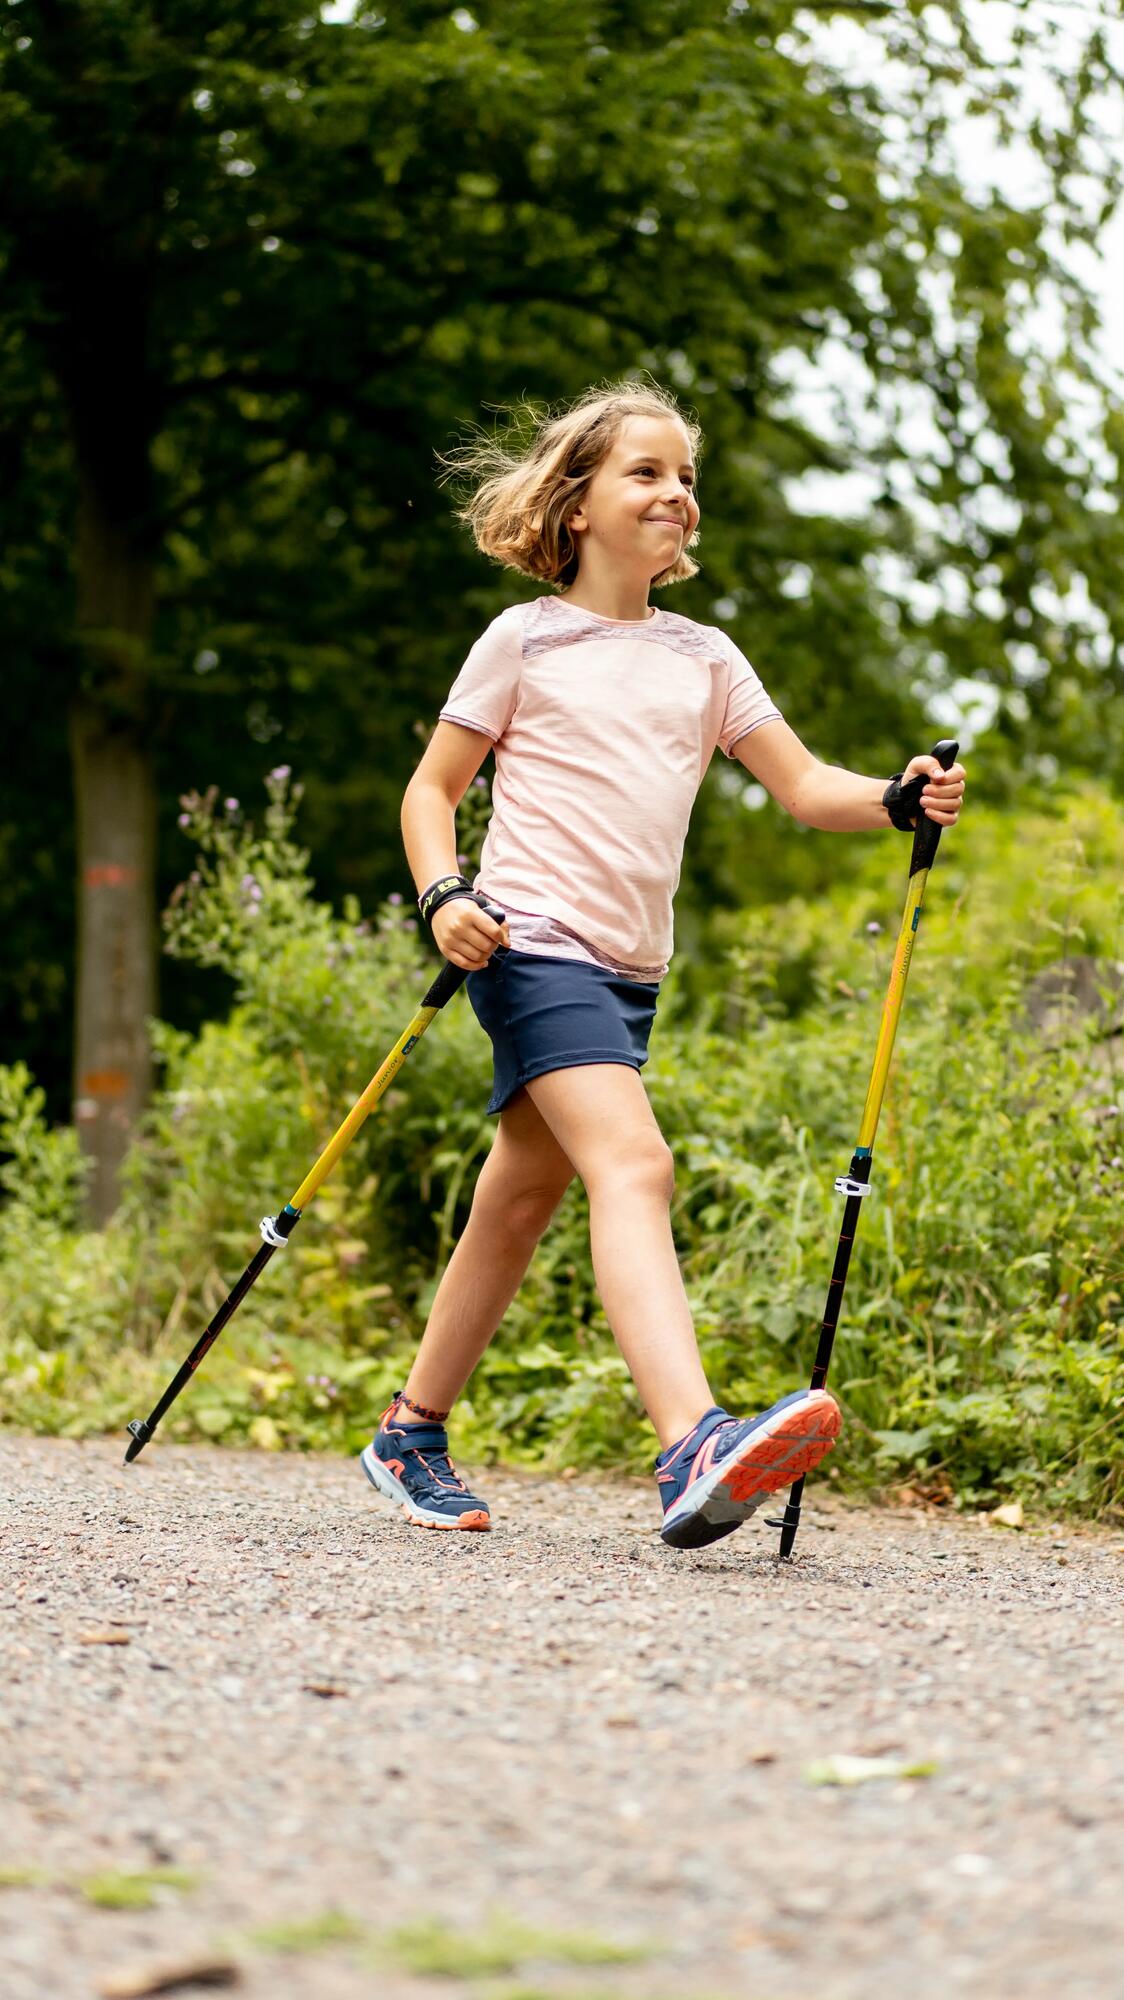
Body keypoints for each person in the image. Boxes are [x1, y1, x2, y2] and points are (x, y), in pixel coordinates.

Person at [359, 379, 965, 1549]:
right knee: (633, 1161)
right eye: (645, 472)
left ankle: (409, 1428)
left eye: (686, 476)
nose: (674, 493)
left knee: (520, 1194)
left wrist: (893, 798)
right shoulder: (524, 639)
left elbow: (801, 788)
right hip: (530, 945)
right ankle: (690, 1437)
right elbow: (430, 790)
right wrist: (442, 895)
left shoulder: (704, 657)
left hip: (629, 970)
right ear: (575, 503)